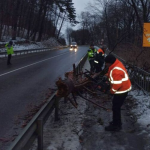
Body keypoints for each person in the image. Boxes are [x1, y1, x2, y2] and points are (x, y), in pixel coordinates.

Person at [104, 54, 132, 131]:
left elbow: (117, 85)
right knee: (115, 107)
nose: (106, 64)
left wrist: (111, 91)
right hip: (122, 88)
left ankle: (117, 126)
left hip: (121, 90)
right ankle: (116, 122)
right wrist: (107, 75)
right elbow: (111, 72)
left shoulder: (116, 70)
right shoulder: (115, 64)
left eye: (106, 63)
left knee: (116, 107)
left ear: (110, 62)